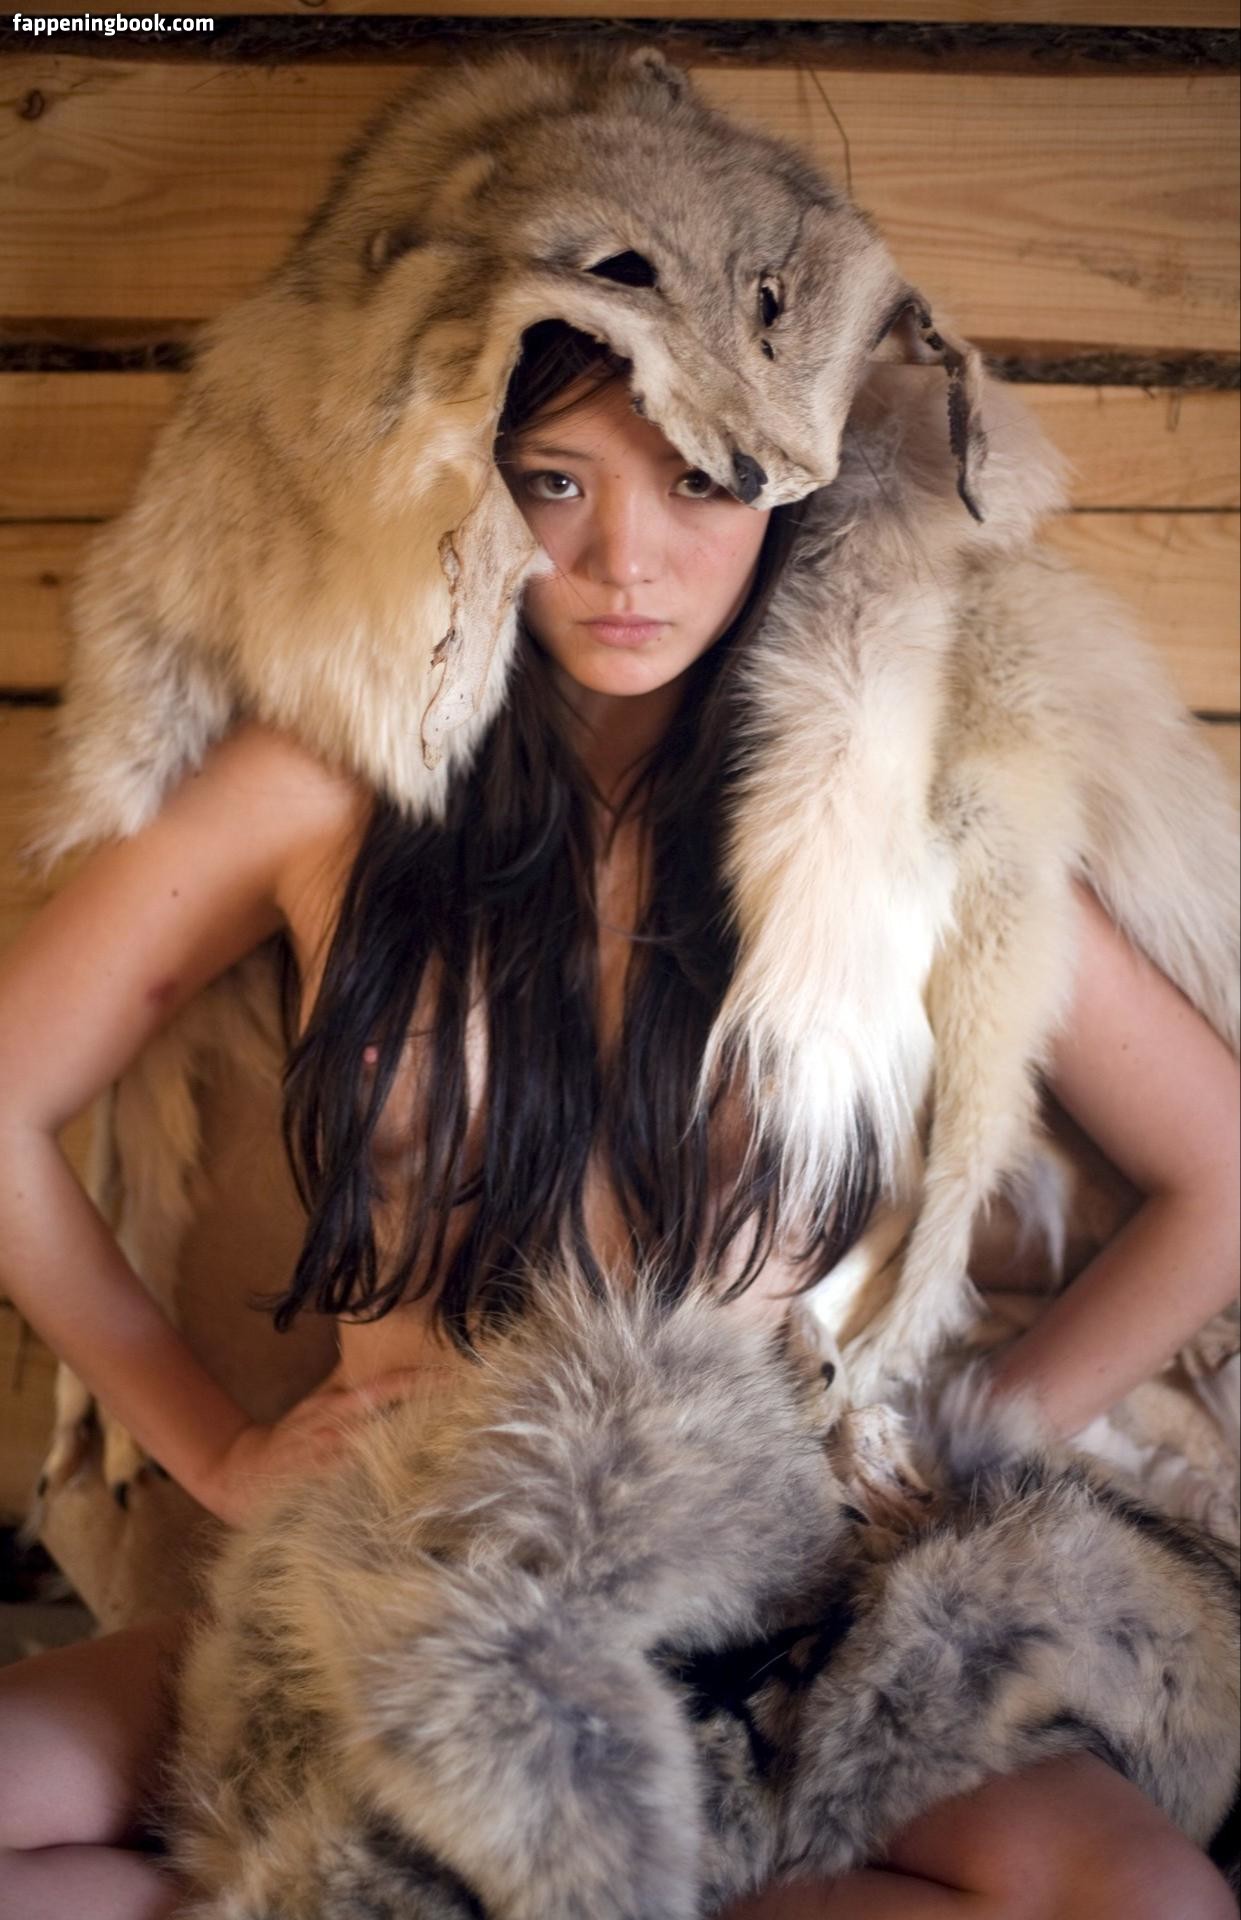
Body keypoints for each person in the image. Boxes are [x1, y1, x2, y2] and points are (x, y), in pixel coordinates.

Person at [0, 322, 1235, 1920]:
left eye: (701, 481)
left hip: (771, 1592)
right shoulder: (329, 778)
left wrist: (958, 1434)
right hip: (411, 1561)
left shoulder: (892, 817)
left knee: (1145, 1902)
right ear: (470, 484)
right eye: (556, 481)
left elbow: (1217, 1170)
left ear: (790, 491)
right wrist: (219, 1452)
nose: (624, 561)